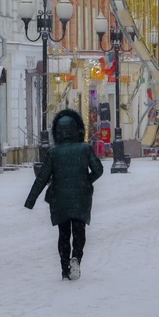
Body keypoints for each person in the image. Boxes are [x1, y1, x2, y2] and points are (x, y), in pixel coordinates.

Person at [24, 108, 103, 281]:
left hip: (59, 198)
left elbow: (42, 178)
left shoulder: (53, 152)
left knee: (64, 233)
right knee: (79, 230)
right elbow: (98, 169)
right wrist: (86, 181)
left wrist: (31, 200)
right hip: (81, 198)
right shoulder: (85, 149)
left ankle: (64, 267)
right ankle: (76, 258)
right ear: (77, 130)